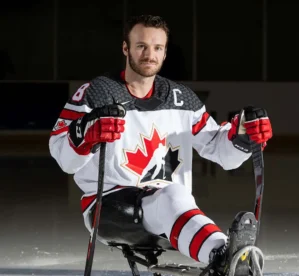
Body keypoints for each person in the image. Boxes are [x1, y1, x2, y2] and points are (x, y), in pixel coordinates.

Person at [49, 15, 272, 275]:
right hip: (109, 206)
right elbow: (63, 157)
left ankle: (229, 260)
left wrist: (243, 136)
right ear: (125, 48)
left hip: (169, 205)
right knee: (172, 196)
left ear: (165, 53)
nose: (149, 54)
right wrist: (84, 135)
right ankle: (226, 256)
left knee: (171, 197)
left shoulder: (181, 99)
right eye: (141, 46)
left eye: (157, 48)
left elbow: (221, 151)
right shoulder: (97, 93)